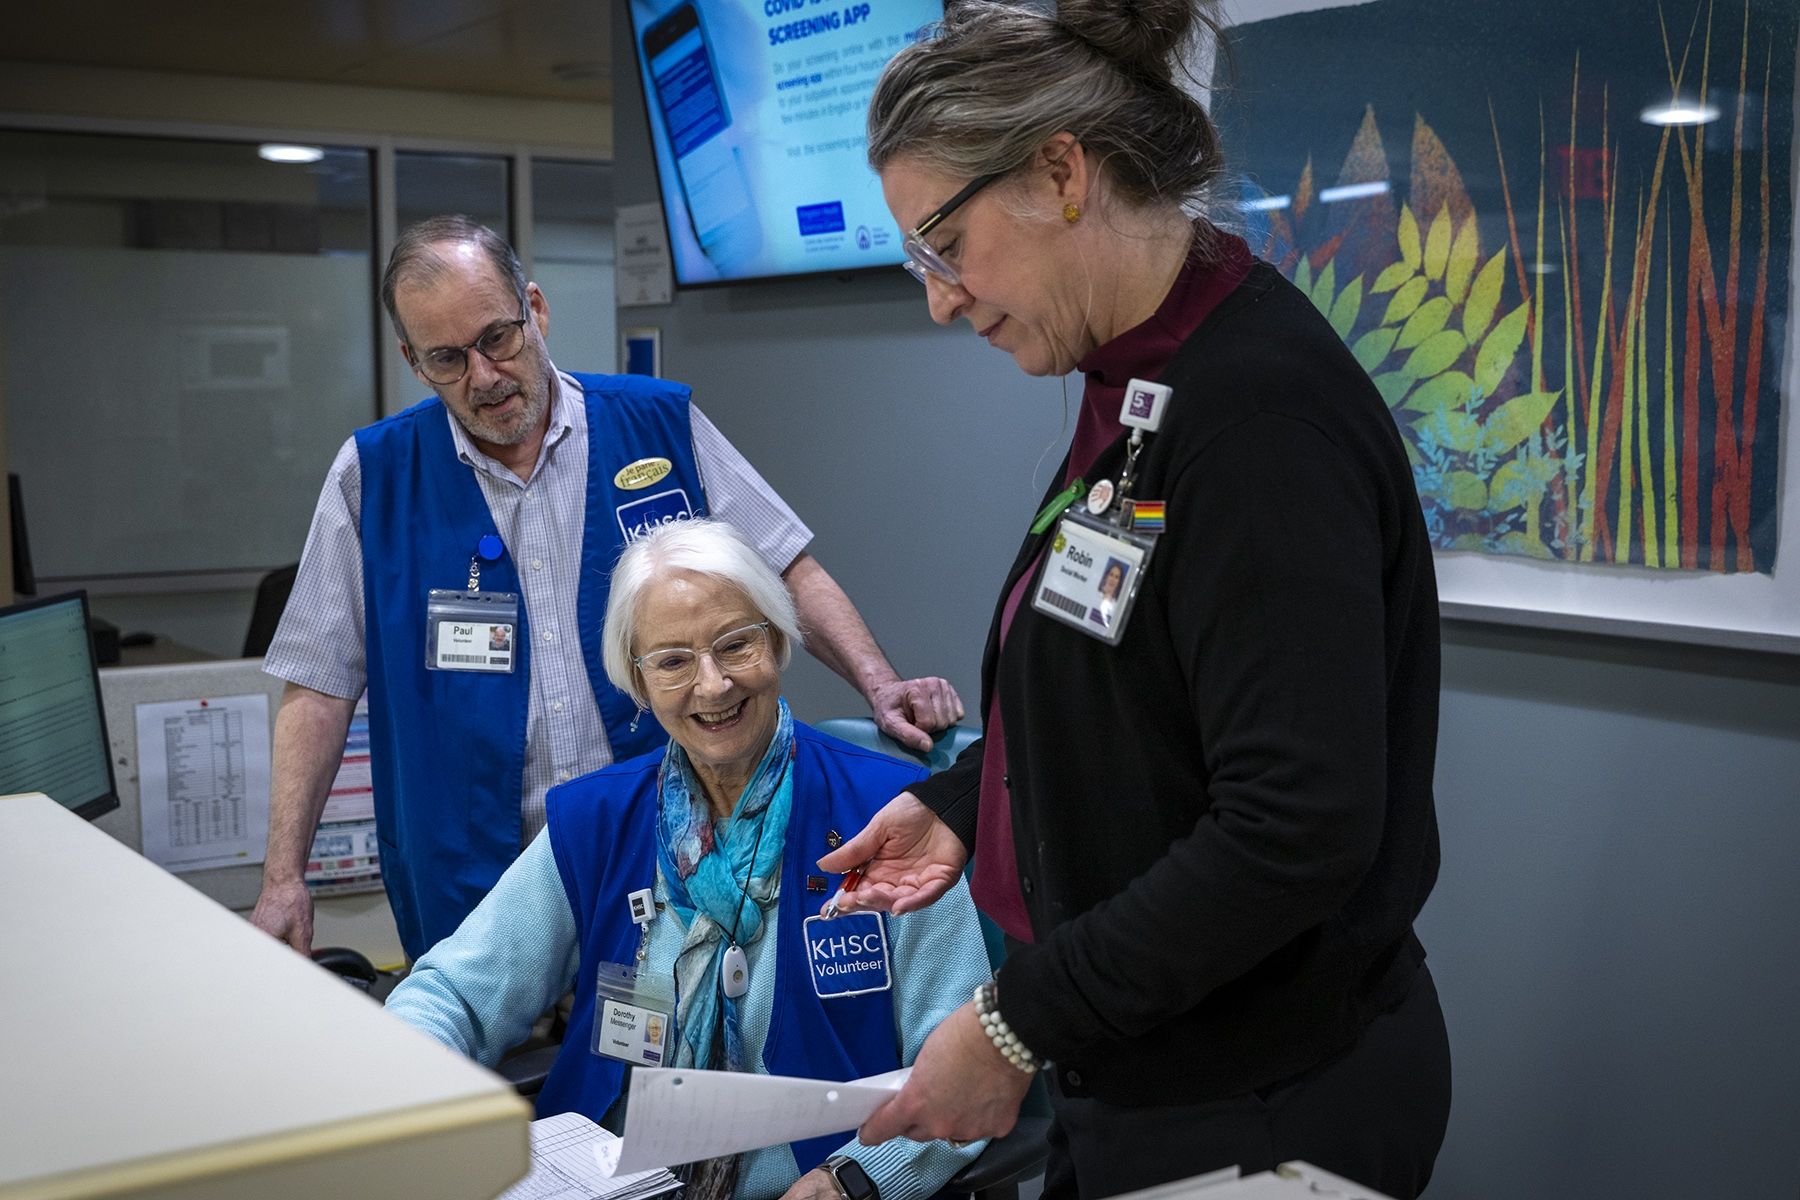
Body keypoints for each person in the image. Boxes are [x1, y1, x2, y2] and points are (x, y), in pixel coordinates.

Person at [818, 2, 1451, 1196]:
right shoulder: (1141, 374)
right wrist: (970, 799)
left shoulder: (1254, 419)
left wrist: (1013, 1023)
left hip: (1262, 1099)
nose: (942, 300)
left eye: (944, 246)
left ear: (1062, 170)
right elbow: (1124, 672)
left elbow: (1293, 825)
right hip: (1143, 1070)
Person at [252, 216, 963, 961]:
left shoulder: (656, 424)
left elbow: (783, 565)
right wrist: (282, 878)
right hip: (469, 872)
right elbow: (318, 686)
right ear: (412, 361)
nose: (485, 376)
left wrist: (879, 683)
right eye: (447, 359)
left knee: (669, 1047)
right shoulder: (374, 475)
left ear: (536, 308)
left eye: (498, 337)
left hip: (670, 849)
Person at [384, 519, 990, 1200]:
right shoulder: (596, 820)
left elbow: (970, 1071)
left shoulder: (890, 817)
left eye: (736, 645)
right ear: (638, 684)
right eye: (672, 660)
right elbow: (452, 994)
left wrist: (853, 1180)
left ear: (778, 643)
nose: (712, 685)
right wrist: (410, 1098)